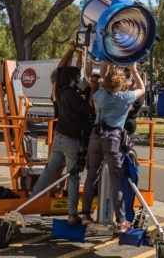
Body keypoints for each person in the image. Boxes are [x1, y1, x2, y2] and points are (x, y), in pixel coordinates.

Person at [81, 63, 145, 233]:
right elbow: (142, 89)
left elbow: (101, 78)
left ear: (106, 83)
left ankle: (85, 213)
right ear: (121, 84)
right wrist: (134, 70)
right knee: (116, 179)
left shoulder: (99, 95)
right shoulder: (125, 98)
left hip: (95, 137)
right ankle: (121, 221)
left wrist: (106, 62)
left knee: (91, 175)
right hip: (113, 139)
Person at [31, 46, 91, 226]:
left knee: (51, 169)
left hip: (59, 135)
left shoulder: (62, 91)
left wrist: (78, 54)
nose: (80, 79)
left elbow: (71, 72)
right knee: (72, 176)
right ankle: (72, 214)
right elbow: (65, 69)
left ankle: (32, 200)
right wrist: (76, 54)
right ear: (71, 80)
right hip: (70, 138)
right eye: (77, 78)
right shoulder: (65, 91)